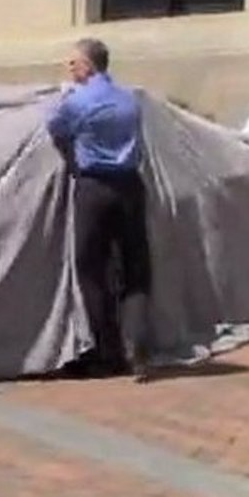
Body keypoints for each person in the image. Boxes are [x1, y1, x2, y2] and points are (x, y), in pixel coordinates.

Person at [46, 38, 151, 382]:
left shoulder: (77, 102)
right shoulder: (129, 99)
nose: (70, 68)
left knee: (92, 269)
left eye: (74, 63)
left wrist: (73, 158)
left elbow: (56, 128)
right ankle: (138, 344)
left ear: (89, 66)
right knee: (135, 266)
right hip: (131, 186)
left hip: (94, 188)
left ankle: (108, 353)